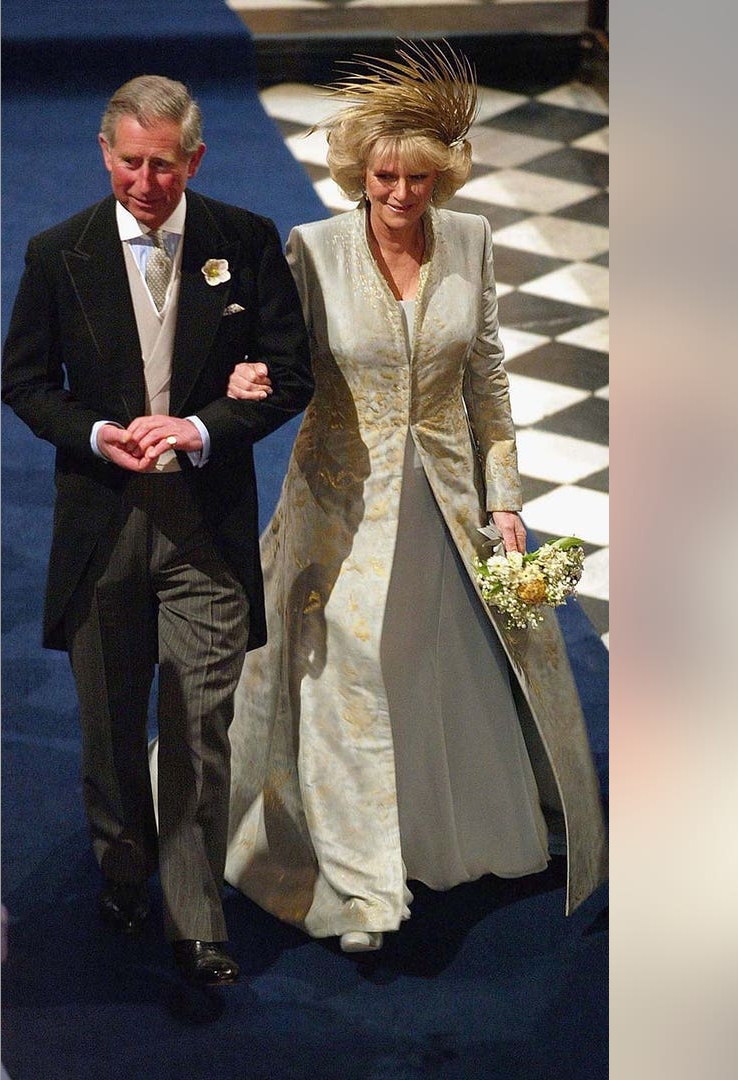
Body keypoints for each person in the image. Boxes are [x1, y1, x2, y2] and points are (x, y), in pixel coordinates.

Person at [219, 43, 606, 953]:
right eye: (385, 176)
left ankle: (444, 830)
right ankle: (359, 883)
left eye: (418, 178)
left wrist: (505, 498)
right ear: (359, 173)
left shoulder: (470, 239)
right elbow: (280, 362)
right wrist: (237, 383)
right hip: (339, 502)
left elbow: (487, 375)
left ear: (443, 176)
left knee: (437, 660)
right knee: (348, 670)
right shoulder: (313, 251)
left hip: (448, 498)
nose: (400, 193)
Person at [0, 75, 313, 986]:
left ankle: (196, 917)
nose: (145, 182)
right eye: (130, 162)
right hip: (102, 524)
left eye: (164, 165)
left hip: (205, 527)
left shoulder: (243, 241)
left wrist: (206, 426)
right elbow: (25, 382)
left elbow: (291, 373)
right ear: (105, 154)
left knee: (198, 725)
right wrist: (99, 433)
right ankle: (124, 866)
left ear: (195, 159)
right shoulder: (58, 254)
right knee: (108, 724)